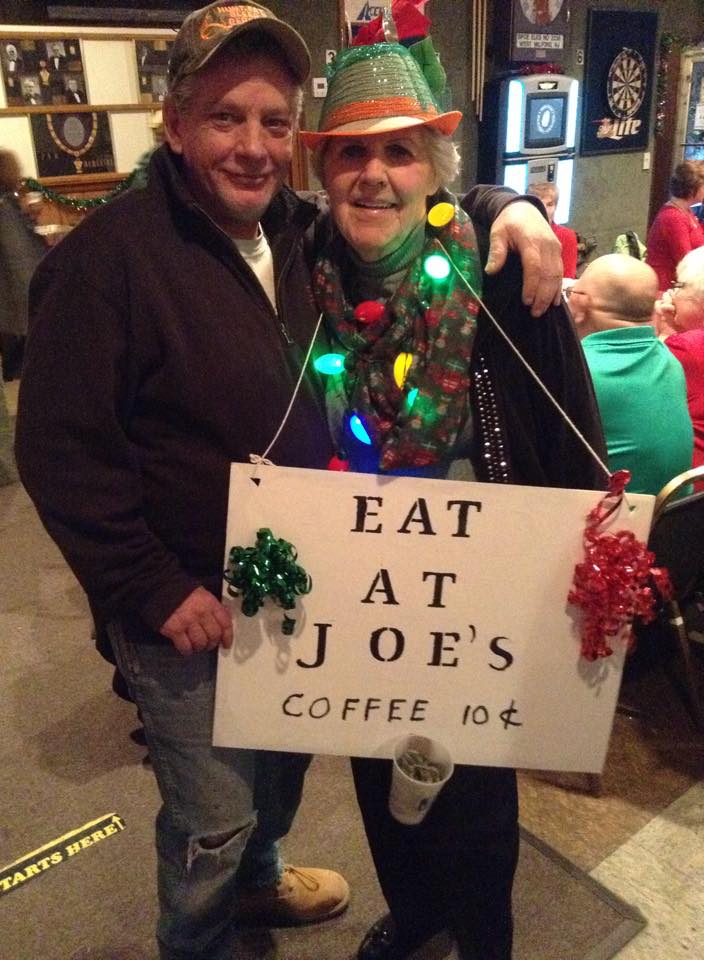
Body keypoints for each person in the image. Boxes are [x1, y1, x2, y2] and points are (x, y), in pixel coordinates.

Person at [15, 4, 565, 959]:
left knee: (283, 781)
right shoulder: (108, 261)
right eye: (226, 118)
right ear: (174, 124)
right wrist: (152, 585)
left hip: (317, 594)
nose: (253, 146)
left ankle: (268, 883)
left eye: (274, 123)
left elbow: (423, 196)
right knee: (214, 813)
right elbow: (59, 454)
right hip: (188, 605)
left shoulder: (301, 235)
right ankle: (204, 936)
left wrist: (510, 204)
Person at [299, 39, 607, 960]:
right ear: (323, 172)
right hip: (361, 586)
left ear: (433, 169)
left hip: (480, 594)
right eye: (351, 152)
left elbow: (570, 422)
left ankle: (482, 938)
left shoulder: (501, 272)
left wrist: (513, 204)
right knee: (376, 769)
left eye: (399, 151)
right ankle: (416, 910)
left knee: (473, 790)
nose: (374, 174)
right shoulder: (307, 270)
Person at [570, 254, 693, 495]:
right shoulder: (670, 361)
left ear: (579, 305)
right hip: (674, 514)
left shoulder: (576, 372)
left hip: (609, 516)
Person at [0, 148, 46, 382]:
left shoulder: (10, 201)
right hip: (16, 282)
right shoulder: (4, 205)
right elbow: (17, 251)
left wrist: (28, 213)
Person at [658, 247, 704, 470]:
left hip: (689, 484)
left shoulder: (686, 347)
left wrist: (665, 332)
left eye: (678, 286)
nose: (671, 294)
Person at [646, 160, 704, 292]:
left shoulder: (685, 211)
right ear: (691, 189)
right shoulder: (673, 217)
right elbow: (687, 262)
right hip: (666, 288)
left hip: (682, 283)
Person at [527, 179, 578, 278]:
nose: (545, 210)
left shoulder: (567, 236)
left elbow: (567, 277)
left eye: (550, 205)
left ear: (556, 207)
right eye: (539, 205)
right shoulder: (517, 232)